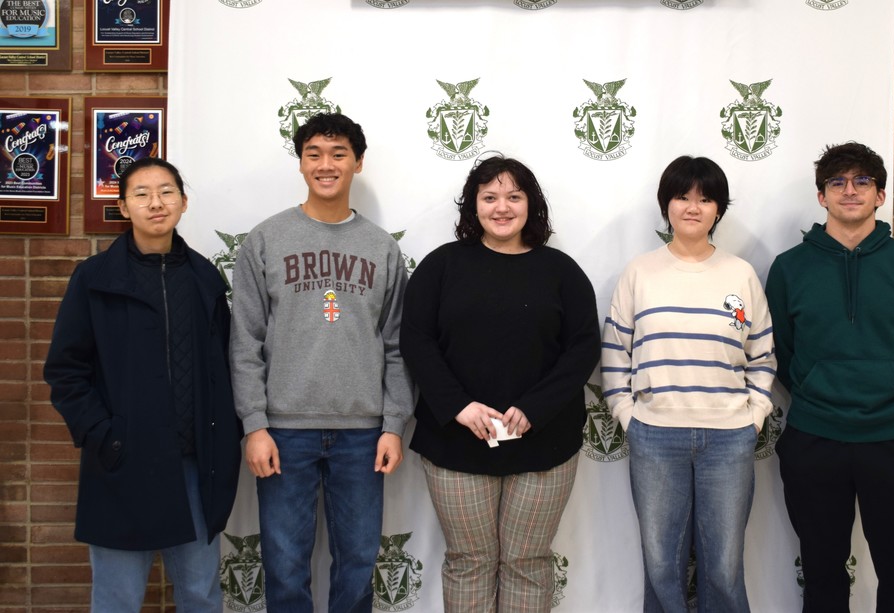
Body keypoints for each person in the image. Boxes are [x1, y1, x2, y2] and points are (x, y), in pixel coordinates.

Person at [229, 112, 415, 613]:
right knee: (285, 567)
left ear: (358, 162)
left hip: (362, 433)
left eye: (337, 154)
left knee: (357, 566)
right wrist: (254, 425)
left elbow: (398, 345)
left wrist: (394, 423)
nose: (326, 165)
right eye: (314, 154)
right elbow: (245, 341)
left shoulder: (382, 248)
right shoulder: (265, 240)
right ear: (301, 163)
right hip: (284, 430)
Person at [400, 155, 600, 613]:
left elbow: (583, 348)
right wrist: (459, 406)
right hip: (456, 441)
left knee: (527, 562)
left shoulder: (561, 271)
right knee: (470, 561)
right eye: (489, 197)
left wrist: (536, 407)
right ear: (473, 207)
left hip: (543, 443)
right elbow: (415, 340)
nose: (502, 207)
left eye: (513, 196)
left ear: (532, 205)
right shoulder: (442, 266)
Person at [43, 157, 242, 612]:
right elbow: (65, 371)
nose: (157, 203)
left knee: (200, 595)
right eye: (142, 194)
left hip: (196, 467)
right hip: (122, 464)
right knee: (117, 600)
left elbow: (226, 365)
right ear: (123, 207)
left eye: (167, 191)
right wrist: (103, 436)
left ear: (184, 202)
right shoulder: (94, 279)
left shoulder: (205, 278)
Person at [765, 142, 894, 612]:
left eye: (862, 181)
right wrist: (819, 389)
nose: (850, 191)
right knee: (823, 575)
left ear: (880, 195)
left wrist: (891, 396)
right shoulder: (789, 269)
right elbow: (780, 351)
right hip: (815, 439)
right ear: (822, 196)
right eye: (837, 182)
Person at [601, 155, 776, 613]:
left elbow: (762, 355)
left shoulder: (740, 275)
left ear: (719, 209)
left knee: (723, 565)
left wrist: (754, 416)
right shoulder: (640, 272)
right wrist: (627, 415)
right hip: (655, 435)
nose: (693, 207)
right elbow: (616, 352)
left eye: (705, 198)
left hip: (729, 437)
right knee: (662, 564)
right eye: (682, 196)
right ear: (667, 206)